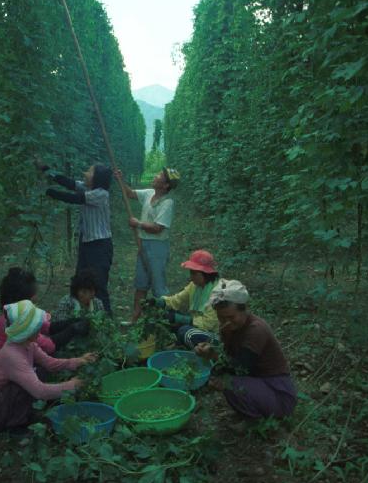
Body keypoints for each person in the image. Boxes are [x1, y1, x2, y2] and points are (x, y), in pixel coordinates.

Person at [0, 300, 98, 434]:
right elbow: (40, 391)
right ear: (28, 330)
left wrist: (78, 361)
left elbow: (50, 363)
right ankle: (15, 425)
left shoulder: (28, 344)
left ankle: (21, 415)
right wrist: (72, 385)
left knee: (40, 372)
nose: (40, 329)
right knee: (22, 387)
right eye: (37, 326)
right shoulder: (12, 355)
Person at [194, 281, 297, 422]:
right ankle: (251, 409)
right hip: (259, 381)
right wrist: (210, 351)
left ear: (244, 310)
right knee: (223, 378)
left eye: (231, 317)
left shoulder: (256, 330)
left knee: (228, 382)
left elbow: (241, 368)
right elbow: (228, 355)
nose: (226, 322)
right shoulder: (228, 327)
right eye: (221, 317)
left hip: (278, 392)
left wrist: (213, 357)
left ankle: (255, 422)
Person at [0, 267, 89, 382]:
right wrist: (72, 329)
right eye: (32, 300)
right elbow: (49, 346)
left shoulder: (17, 313)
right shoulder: (14, 322)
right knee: (41, 373)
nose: (36, 300)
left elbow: (47, 327)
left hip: (3, 366)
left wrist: (73, 322)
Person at [37, 161, 114, 314]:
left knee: (98, 285)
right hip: (86, 244)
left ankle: (106, 321)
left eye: (89, 171)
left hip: (100, 246)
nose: (85, 173)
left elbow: (74, 198)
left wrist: (48, 191)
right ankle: (81, 314)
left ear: (97, 178)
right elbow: (69, 183)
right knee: (80, 281)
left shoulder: (101, 194)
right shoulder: (87, 187)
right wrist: (47, 170)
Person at [115, 167, 180, 321]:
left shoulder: (167, 203)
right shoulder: (149, 193)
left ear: (165, 185)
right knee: (141, 284)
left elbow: (158, 228)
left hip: (158, 247)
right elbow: (130, 193)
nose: (156, 176)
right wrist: (120, 180)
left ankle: (165, 320)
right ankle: (135, 318)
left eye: (159, 175)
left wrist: (138, 224)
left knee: (158, 286)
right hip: (143, 243)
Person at [148, 249, 222, 348]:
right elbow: (176, 300)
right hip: (196, 325)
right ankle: (180, 342)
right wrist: (159, 302)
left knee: (186, 332)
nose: (191, 277)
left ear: (205, 273)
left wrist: (182, 319)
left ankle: (202, 348)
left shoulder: (218, 292)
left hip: (215, 333)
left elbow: (209, 324)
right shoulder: (194, 286)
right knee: (165, 316)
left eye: (194, 274)